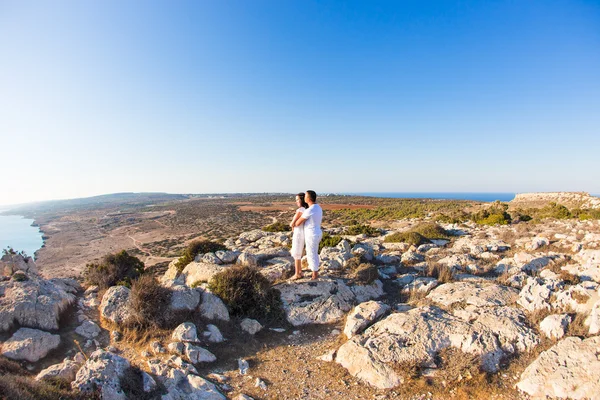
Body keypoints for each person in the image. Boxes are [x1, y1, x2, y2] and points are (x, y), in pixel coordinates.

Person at [293, 190, 323, 280]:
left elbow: (298, 223)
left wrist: (295, 221)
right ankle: (315, 272)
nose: (304, 198)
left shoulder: (310, 210)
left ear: (308, 198)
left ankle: (315, 275)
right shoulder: (318, 207)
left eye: (305, 196)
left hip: (311, 234)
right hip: (317, 232)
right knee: (314, 252)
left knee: (311, 253)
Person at [289, 192, 308, 280]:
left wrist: (292, 224)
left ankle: (297, 274)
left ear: (302, 200)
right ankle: (300, 272)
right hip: (302, 233)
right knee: (299, 253)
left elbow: (292, 223)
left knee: (296, 253)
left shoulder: (300, 210)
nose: (296, 202)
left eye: (297, 200)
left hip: (298, 233)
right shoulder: (306, 210)